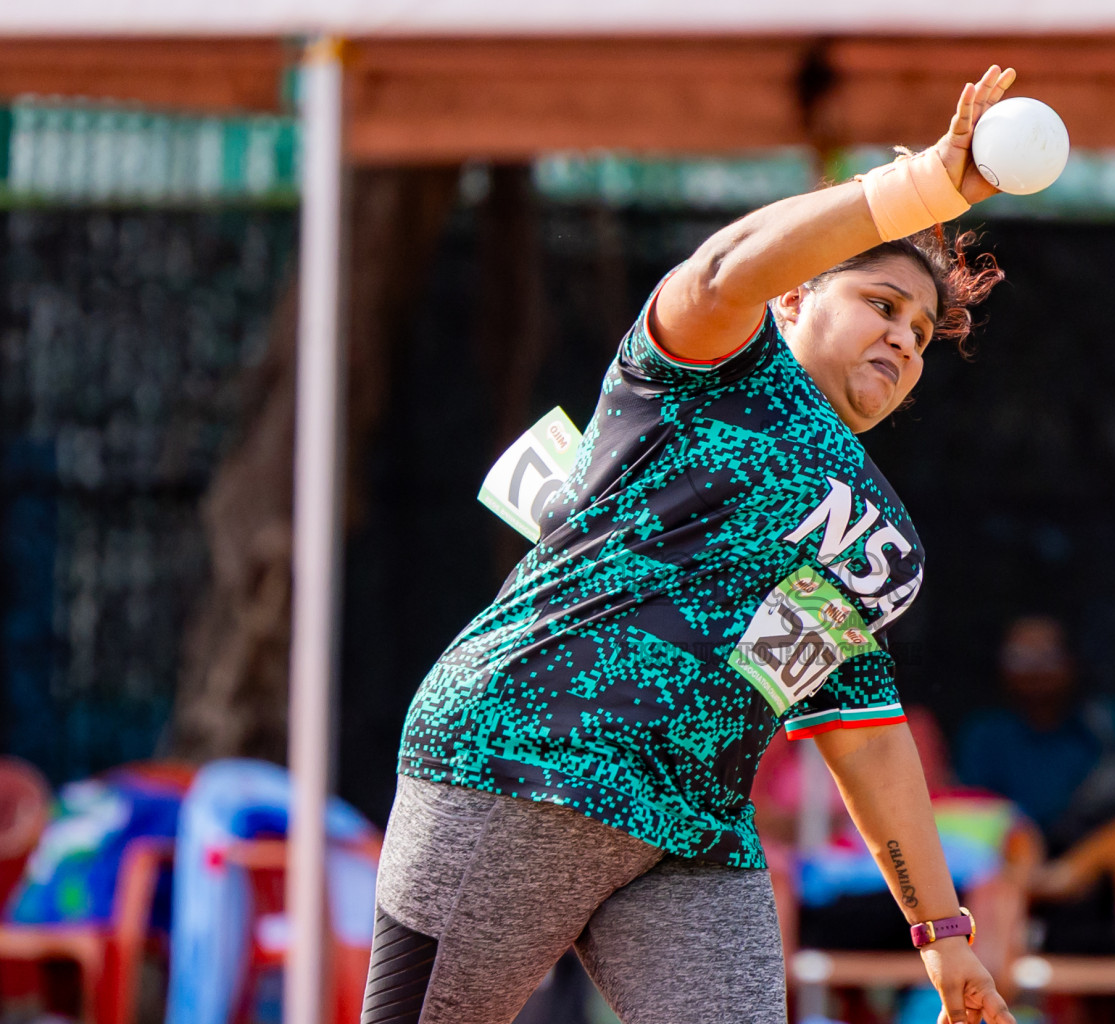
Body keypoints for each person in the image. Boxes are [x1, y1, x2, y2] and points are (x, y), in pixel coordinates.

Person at [360, 66, 1022, 1024]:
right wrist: (925, 188)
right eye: (882, 304)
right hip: (523, 754)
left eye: (921, 334)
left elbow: (864, 736)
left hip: (692, 830)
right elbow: (724, 271)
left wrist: (945, 939)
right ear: (794, 298)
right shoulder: (710, 366)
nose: (903, 340)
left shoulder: (884, 540)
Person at [955, 615, 1115, 850]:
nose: (1035, 670)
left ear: (1072, 663)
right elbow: (972, 819)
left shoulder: (1112, 723)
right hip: (1022, 868)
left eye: (1048, 656)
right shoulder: (986, 736)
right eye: (1019, 658)